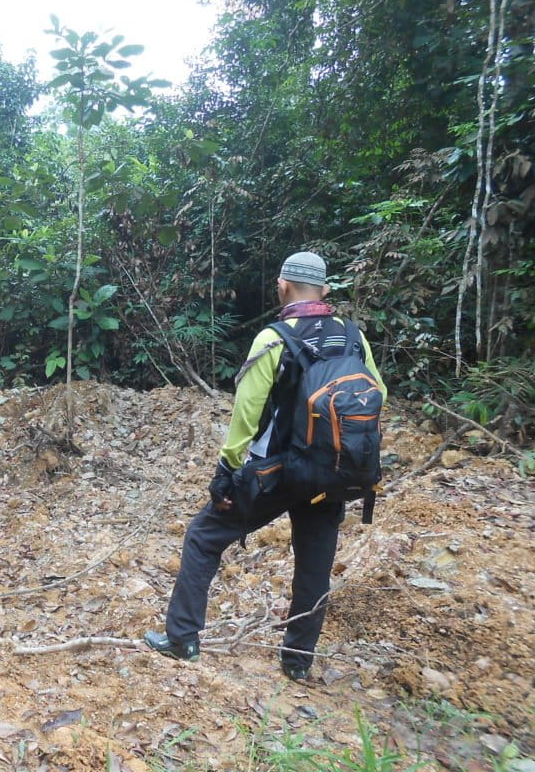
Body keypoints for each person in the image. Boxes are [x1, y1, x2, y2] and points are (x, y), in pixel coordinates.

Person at [143, 251, 387, 681]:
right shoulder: (354, 338)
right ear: (325, 290)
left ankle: (182, 639)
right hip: (335, 473)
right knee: (314, 566)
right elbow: (377, 394)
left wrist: (226, 470)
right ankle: (297, 662)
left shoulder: (275, 338)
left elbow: (247, 413)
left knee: (203, 536)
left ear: (283, 285)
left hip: (279, 474)